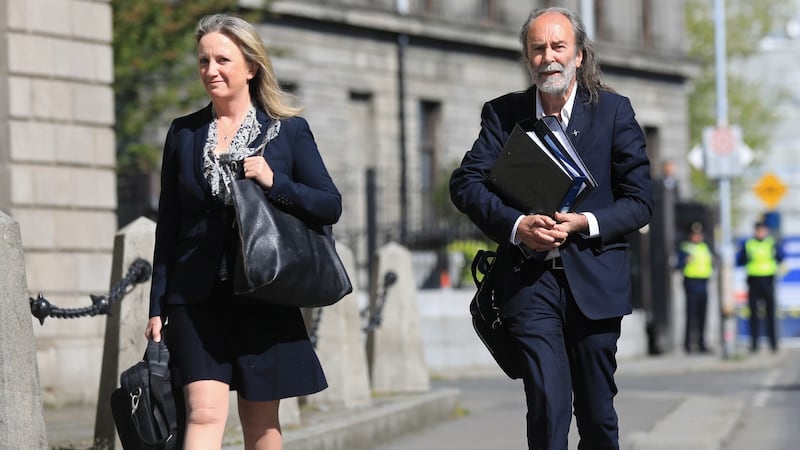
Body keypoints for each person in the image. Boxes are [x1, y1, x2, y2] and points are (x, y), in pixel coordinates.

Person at [450, 6, 652, 450]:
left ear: (578, 55)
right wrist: (518, 225)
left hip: (596, 284)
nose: (548, 57)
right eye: (537, 49)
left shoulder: (614, 112)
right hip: (529, 283)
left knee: (598, 416)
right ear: (527, 57)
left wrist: (585, 223)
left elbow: (640, 202)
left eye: (558, 46)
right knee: (547, 404)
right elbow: (464, 183)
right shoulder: (503, 115)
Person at [145, 13, 341, 450]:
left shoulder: (288, 131)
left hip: (264, 292)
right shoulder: (183, 134)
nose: (210, 71)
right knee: (203, 413)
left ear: (251, 67)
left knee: (261, 423)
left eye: (222, 60)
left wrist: (277, 182)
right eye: (203, 61)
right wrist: (157, 305)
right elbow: (170, 227)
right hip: (195, 297)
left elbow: (330, 204)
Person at [736, 221, 784, 353]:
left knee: (770, 314)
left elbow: (781, 257)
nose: (761, 232)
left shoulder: (772, 243)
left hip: (768, 281)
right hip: (753, 282)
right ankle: (754, 345)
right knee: (754, 315)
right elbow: (739, 260)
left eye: (763, 230)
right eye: (758, 230)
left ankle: (773, 344)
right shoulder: (749, 244)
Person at [676, 223, 713, 354]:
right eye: (695, 234)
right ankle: (688, 345)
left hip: (704, 283)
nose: (697, 237)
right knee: (690, 316)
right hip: (691, 284)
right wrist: (685, 261)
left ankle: (702, 344)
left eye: (699, 234)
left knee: (703, 316)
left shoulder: (705, 247)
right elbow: (678, 265)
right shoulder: (685, 247)